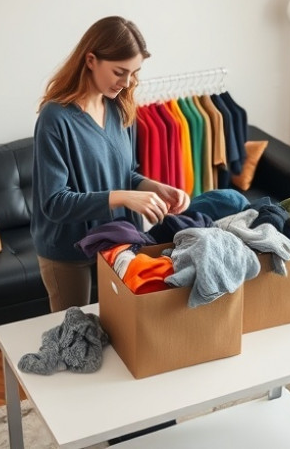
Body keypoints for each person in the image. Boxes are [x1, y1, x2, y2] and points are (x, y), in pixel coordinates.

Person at [31, 16, 190, 312]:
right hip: (68, 250)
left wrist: (156, 188)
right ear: (91, 60)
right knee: (74, 335)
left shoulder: (120, 107)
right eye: (119, 72)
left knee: (121, 329)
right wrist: (124, 198)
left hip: (116, 241)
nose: (127, 82)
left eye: (134, 73)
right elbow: (54, 203)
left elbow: (126, 174)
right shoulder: (55, 119)